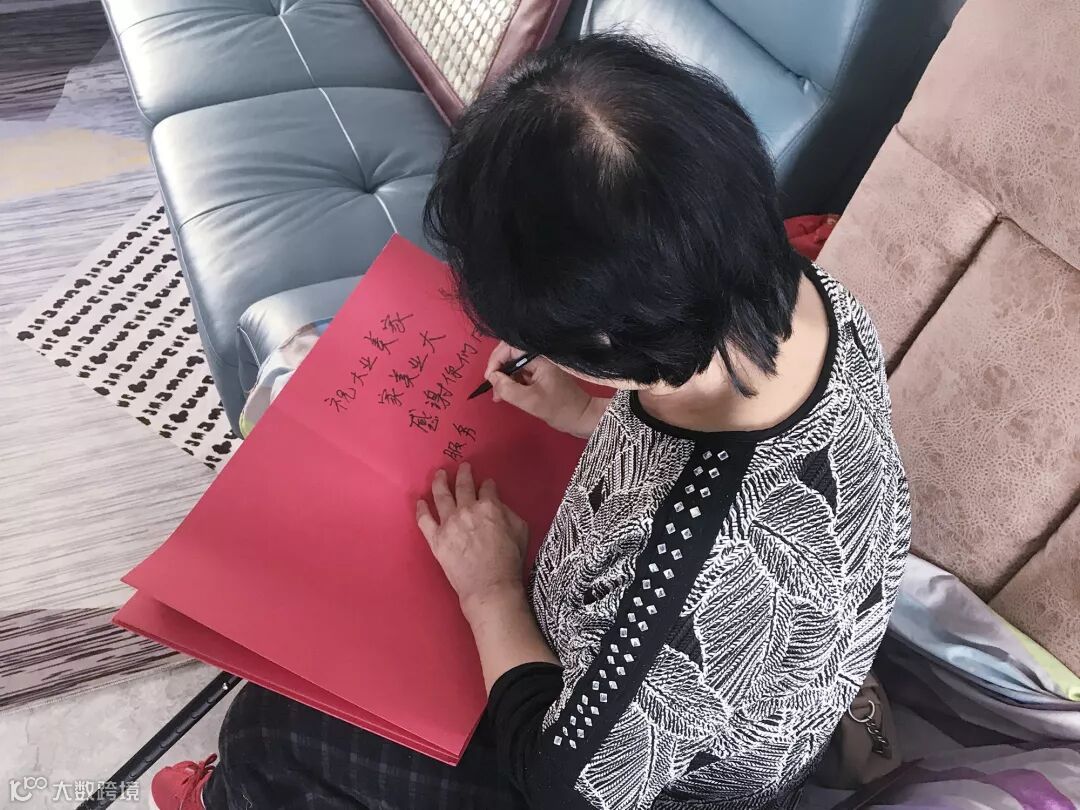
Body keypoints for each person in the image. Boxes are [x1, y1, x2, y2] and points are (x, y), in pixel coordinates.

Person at [149, 33, 910, 810]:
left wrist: (491, 594)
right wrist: (584, 411)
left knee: (269, 730)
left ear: (609, 341)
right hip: (718, 685)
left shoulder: (690, 570)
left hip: (652, 777)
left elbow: (559, 785)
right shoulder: (802, 296)